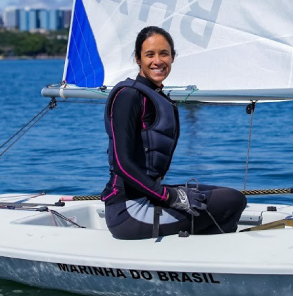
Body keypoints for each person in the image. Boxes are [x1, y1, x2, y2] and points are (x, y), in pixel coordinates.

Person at [101, 26, 247, 240]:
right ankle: (208, 262)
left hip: (147, 197)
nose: (157, 61)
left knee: (227, 195)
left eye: (164, 54)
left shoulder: (152, 95)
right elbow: (122, 164)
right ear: (137, 59)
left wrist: (167, 194)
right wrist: (168, 196)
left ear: (173, 57)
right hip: (129, 211)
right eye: (149, 54)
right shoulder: (128, 96)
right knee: (233, 202)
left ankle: (201, 253)